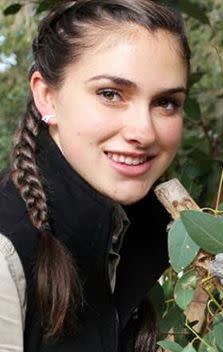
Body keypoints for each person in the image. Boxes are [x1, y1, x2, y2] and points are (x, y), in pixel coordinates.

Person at [0, 1, 191, 351]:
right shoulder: (7, 251)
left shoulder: (149, 231)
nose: (144, 132)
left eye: (166, 102)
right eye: (110, 94)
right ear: (47, 97)